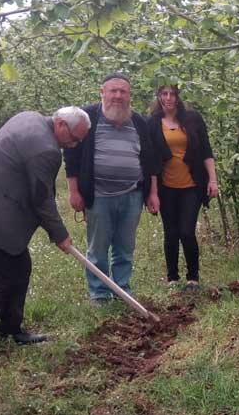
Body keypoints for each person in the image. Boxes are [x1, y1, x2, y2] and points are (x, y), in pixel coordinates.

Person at [0, 107, 90, 343]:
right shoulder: (47, 150)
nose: (74, 145)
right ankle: (9, 332)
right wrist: (60, 235)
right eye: (74, 138)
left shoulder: (29, 117)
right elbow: (41, 199)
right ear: (61, 124)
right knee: (15, 270)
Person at [64, 73, 166, 303]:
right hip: (98, 196)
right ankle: (99, 294)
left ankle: (122, 291)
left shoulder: (139, 122)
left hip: (133, 195)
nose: (118, 96)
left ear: (129, 95)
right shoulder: (88, 118)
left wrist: (152, 192)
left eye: (123, 91)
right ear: (102, 93)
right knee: (98, 249)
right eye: (113, 91)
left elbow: (150, 160)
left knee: (125, 247)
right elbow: (71, 156)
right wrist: (74, 191)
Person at [146, 84, 218, 287]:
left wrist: (213, 180)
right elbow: (150, 160)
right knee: (171, 232)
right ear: (159, 96)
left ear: (178, 97)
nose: (168, 98)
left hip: (192, 185)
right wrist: (152, 192)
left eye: (172, 94)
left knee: (187, 231)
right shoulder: (152, 122)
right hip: (165, 186)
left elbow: (206, 151)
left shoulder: (193, 119)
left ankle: (193, 278)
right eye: (164, 93)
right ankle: (172, 278)